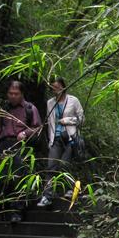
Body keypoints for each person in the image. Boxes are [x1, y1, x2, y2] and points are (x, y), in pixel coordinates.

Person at [0, 80, 41, 222]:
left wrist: (25, 134)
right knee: (1, 179)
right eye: (10, 93)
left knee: (19, 178)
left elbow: (37, 127)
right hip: (4, 145)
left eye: (16, 94)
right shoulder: (4, 109)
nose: (13, 96)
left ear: (22, 94)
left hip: (21, 146)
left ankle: (18, 211)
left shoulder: (30, 108)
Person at [38, 77, 84, 207]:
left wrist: (68, 120)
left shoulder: (73, 100)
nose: (56, 89)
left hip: (70, 137)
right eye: (53, 87)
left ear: (63, 86)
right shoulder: (50, 103)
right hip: (56, 138)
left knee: (64, 165)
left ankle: (72, 189)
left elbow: (81, 119)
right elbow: (50, 123)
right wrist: (50, 140)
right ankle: (47, 196)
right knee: (51, 165)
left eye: (58, 86)